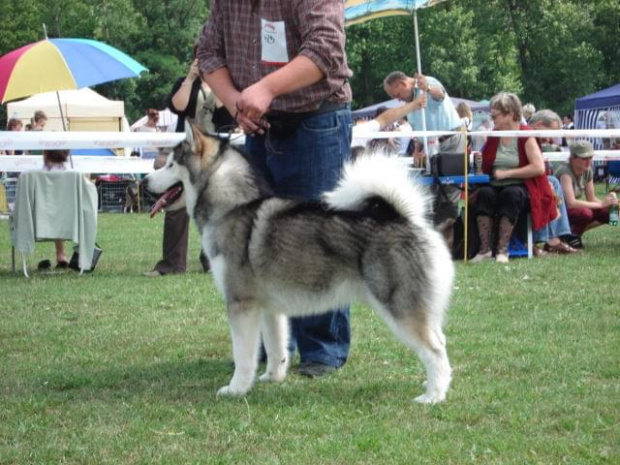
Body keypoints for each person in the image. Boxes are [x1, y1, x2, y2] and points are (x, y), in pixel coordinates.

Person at [197, 0, 352, 378]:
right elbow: (208, 53)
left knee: (318, 238)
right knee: (262, 244)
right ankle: (276, 348)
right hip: (258, 124)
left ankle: (322, 350)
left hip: (317, 119)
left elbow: (325, 48)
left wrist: (266, 88)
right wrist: (236, 102)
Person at [144, 54, 236, 277]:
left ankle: (212, 260)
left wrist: (218, 82)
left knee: (217, 206)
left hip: (213, 151)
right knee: (176, 205)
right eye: (199, 55)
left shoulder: (226, 83)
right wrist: (189, 78)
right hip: (186, 151)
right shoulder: (184, 83)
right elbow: (178, 107)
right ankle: (172, 263)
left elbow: (228, 115)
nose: (202, 60)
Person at [472, 92, 556, 264]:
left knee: (511, 194)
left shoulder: (526, 135)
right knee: (485, 194)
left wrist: (507, 173)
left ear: (510, 114)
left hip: (523, 187)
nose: (492, 117)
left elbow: (538, 167)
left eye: (495, 114)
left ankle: (503, 250)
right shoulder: (494, 135)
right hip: (494, 184)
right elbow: (485, 163)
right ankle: (485, 249)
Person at [528, 110, 580, 255]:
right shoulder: (526, 138)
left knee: (552, 182)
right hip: (520, 182)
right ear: (539, 125)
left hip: (530, 180)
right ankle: (553, 240)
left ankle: (554, 239)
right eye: (552, 132)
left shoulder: (534, 140)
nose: (552, 139)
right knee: (553, 183)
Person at [383, 71, 465, 154]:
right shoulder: (409, 105)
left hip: (450, 141)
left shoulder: (427, 82)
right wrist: (416, 151)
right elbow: (419, 130)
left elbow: (441, 95)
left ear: (402, 83)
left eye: (397, 95)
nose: (399, 99)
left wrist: (428, 88)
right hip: (432, 147)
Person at [555, 140, 618, 238]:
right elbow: (571, 203)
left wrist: (611, 205)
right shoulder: (565, 172)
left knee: (610, 213)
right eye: (584, 158)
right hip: (557, 211)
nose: (589, 161)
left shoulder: (587, 170)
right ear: (573, 157)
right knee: (585, 213)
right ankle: (570, 237)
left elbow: (591, 198)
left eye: (590, 157)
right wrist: (602, 204)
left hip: (568, 211)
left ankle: (569, 233)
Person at [38, 149, 70, 269]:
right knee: (58, 213)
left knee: (55, 213)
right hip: (69, 220)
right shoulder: (73, 175)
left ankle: (61, 255)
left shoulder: (31, 175)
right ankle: (61, 255)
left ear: (45, 155)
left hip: (39, 220)